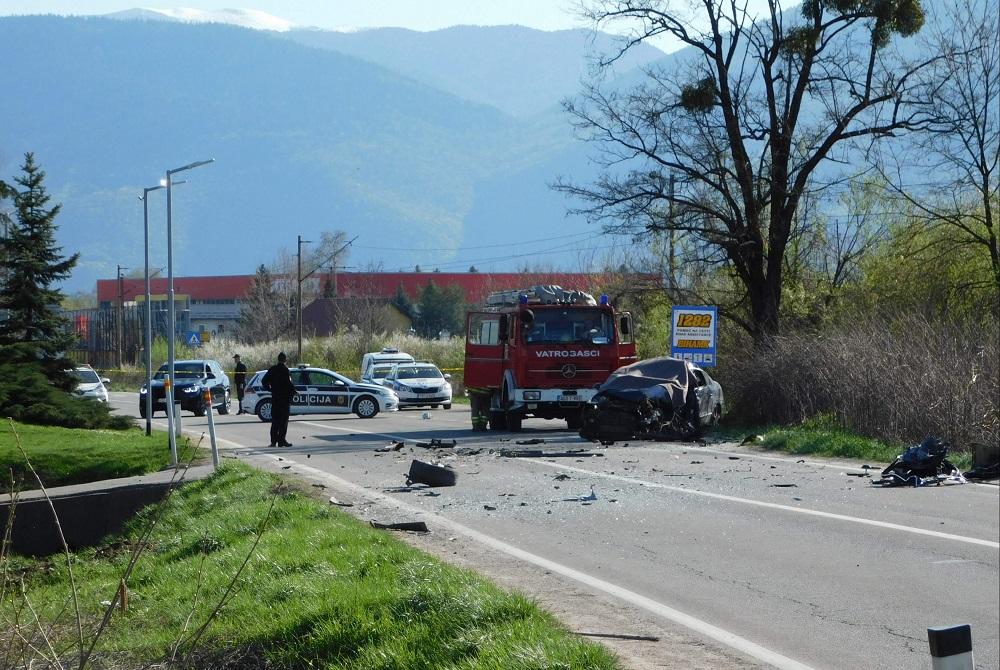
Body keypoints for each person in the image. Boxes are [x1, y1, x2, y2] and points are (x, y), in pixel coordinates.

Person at [261, 352, 294, 448]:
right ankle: (282, 441)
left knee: (275, 420)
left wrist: (270, 389)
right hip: (284, 399)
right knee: (283, 421)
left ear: (278, 359)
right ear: (285, 360)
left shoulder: (272, 369)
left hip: (275, 398)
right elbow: (289, 384)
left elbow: (264, 381)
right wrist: (294, 392)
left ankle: (273, 442)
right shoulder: (285, 370)